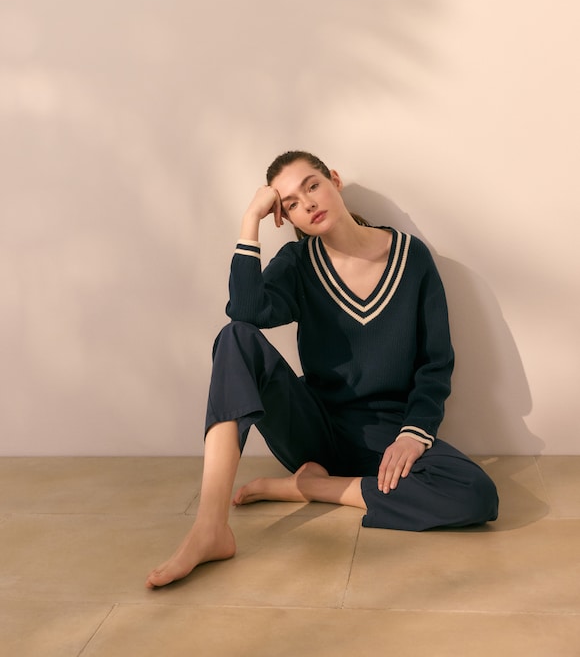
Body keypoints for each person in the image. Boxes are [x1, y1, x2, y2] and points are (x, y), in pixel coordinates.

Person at [145, 150, 499, 589]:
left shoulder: (412, 258)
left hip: (386, 437)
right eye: (291, 203)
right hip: (312, 430)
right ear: (285, 216)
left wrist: (414, 433)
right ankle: (209, 527)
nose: (308, 203)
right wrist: (250, 220)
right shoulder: (298, 263)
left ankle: (312, 487)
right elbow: (245, 311)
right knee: (235, 337)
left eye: (312, 186)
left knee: (475, 494)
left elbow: (435, 363)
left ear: (334, 179)